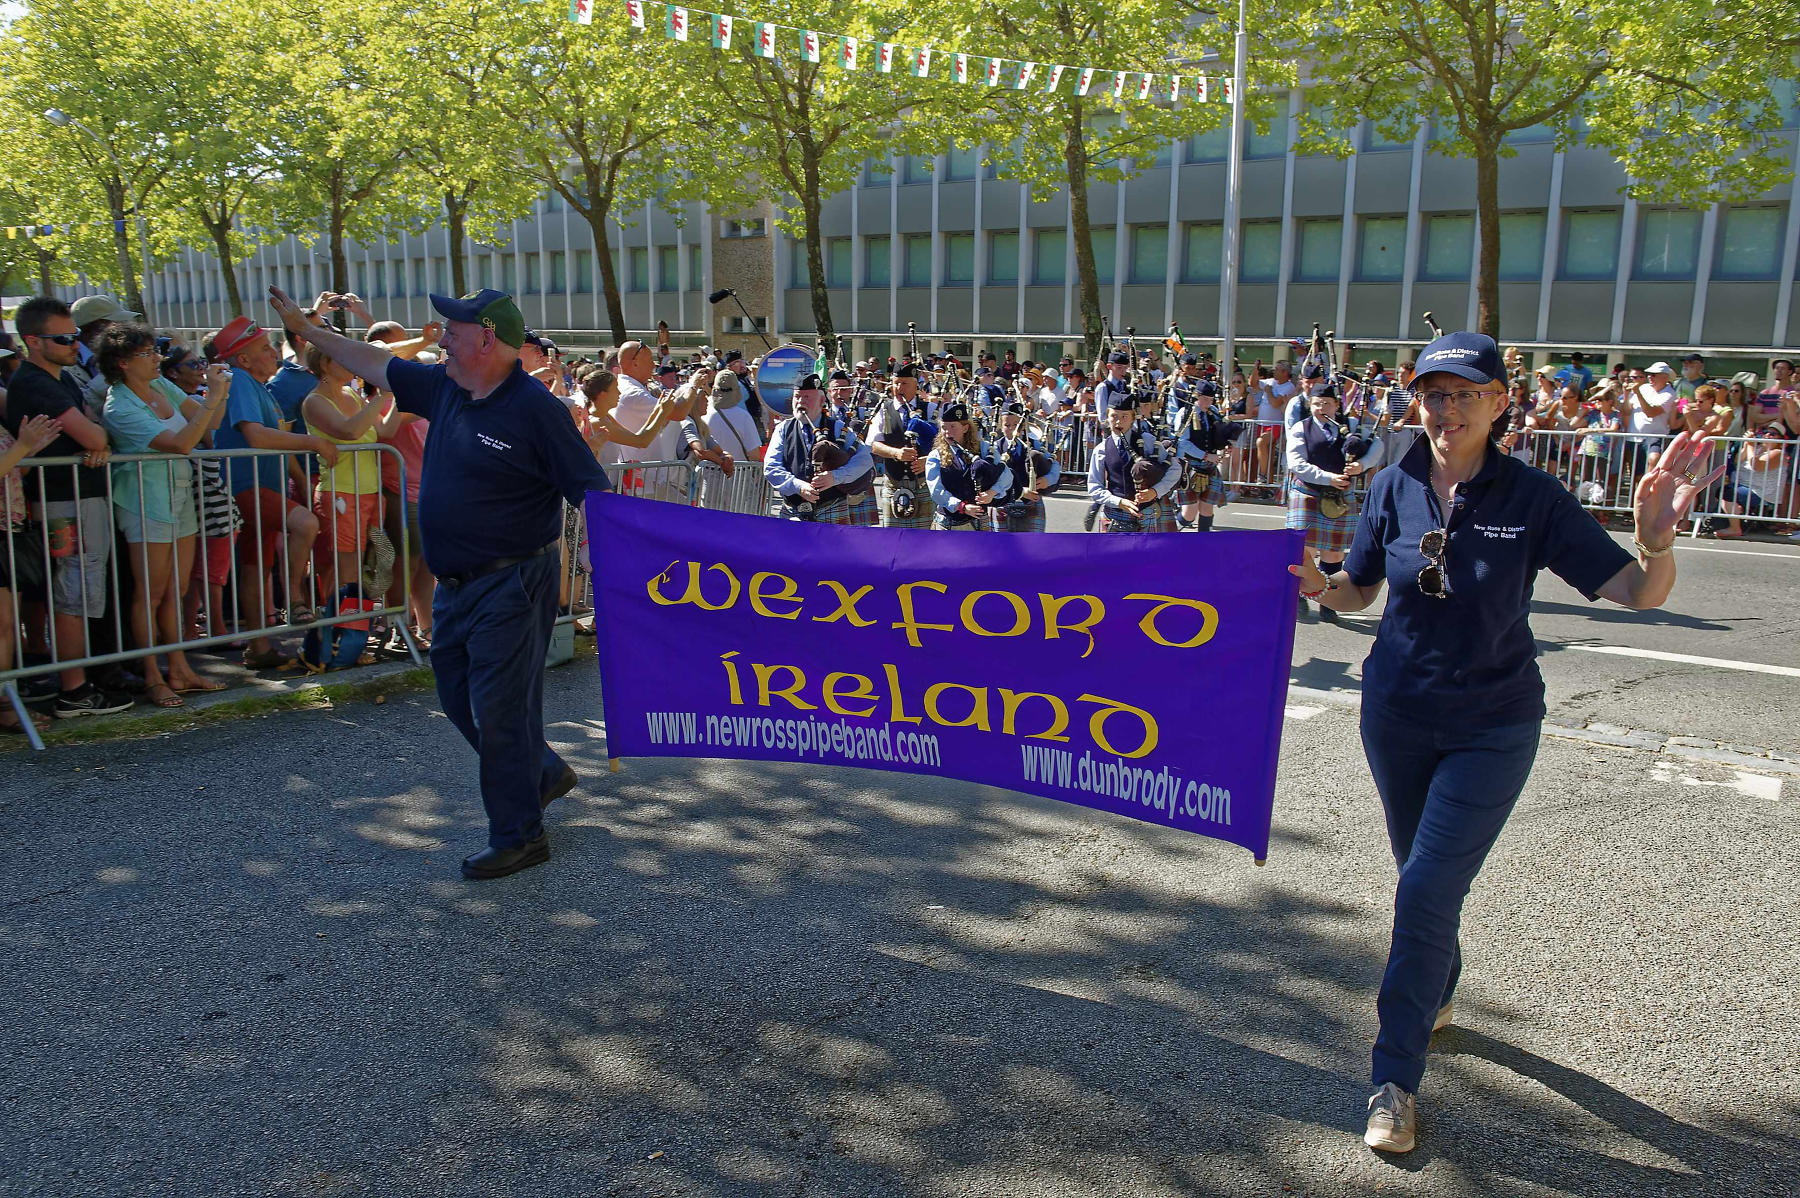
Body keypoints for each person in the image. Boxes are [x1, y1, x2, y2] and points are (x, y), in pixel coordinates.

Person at [1288, 331, 1720, 1156]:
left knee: (1420, 894)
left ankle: (1394, 1080)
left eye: (1464, 394)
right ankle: (1439, 985)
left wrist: (1658, 541)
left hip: (1494, 723)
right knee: (1424, 879)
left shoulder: (1533, 496)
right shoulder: (1391, 483)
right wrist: (1322, 588)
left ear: (1498, 401)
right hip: (1397, 713)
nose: (1446, 409)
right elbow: (1358, 589)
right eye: (1434, 393)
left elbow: (1635, 591)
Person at [269, 284, 610, 881]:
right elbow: (371, 360)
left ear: (487, 338)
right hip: (455, 584)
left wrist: (628, 570)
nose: (441, 336)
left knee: (501, 710)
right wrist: (307, 330)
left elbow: (593, 491)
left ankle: (519, 834)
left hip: (512, 581)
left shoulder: (537, 411)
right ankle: (540, 772)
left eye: (453, 329)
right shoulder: (444, 385)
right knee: (458, 698)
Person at [1, 297, 132, 718]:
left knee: (79, 591)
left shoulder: (59, 378)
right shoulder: (36, 383)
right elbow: (96, 437)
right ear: (33, 342)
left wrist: (96, 439)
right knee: (73, 592)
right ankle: (74, 689)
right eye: (63, 339)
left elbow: (94, 431)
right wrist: (96, 441)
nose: (75, 344)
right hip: (64, 503)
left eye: (75, 335)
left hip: (73, 498)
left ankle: (77, 683)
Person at [98, 323, 231, 708]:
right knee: (151, 593)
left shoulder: (160, 386)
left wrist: (217, 391)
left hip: (177, 497)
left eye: (155, 350)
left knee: (178, 588)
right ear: (122, 363)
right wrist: (210, 400)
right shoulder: (118, 406)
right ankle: (153, 677)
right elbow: (182, 442)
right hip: (144, 502)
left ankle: (180, 669)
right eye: (147, 353)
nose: (158, 357)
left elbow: (211, 425)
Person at [210, 315, 335, 667]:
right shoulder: (242, 383)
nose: (272, 353)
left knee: (255, 567)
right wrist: (313, 441)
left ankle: (259, 648)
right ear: (244, 359)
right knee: (306, 524)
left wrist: (297, 483)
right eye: (264, 348)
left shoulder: (259, 386)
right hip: (245, 485)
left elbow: (279, 444)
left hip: (264, 483)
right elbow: (257, 436)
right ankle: (295, 599)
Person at [301, 343, 409, 603]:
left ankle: (353, 629)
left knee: (367, 563)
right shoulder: (314, 401)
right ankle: (340, 632)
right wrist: (383, 395)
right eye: (345, 358)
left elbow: (384, 431)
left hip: (370, 494)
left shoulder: (351, 393)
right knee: (345, 569)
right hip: (341, 493)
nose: (353, 364)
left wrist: (398, 395)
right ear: (326, 364)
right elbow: (350, 431)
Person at [1286, 382, 1382, 620]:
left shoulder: (1350, 426)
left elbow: (1377, 444)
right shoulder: (1301, 427)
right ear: (1311, 405)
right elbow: (1296, 463)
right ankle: (1297, 596)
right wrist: (1328, 478)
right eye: (1317, 404)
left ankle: (1328, 601)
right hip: (1308, 492)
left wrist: (1363, 464)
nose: (1321, 408)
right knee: (1303, 549)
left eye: (1327, 403)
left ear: (1337, 405)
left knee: (1334, 552)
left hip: (1339, 496)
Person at [1, 413, 60, 733]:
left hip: (9, 529)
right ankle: (5, 705)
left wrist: (29, 451)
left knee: (7, 625)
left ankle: (7, 701)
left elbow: (11, 471)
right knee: (3, 625)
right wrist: (23, 445)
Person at [764, 373, 876, 525]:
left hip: (831, 509)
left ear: (822, 400)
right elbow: (771, 467)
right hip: (792, 510)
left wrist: (834, 477)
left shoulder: (837, 428)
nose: (800, 402)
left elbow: (864, 460)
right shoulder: (783, 429)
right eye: (797, 397)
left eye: (807, 397)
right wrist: (798, 486)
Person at [1087, 387, 1178, 532]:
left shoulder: (1148, 442)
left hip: (1148, 513)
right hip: (1115, 515)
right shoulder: (1101, 450)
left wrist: (1155, 491)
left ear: (1132, 419)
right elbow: (1094, 487)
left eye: (1124, 417)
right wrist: (1119, 502)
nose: (1118, 422)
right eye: (1114, 416)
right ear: (1107, 417)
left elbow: (1175, 468)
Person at [925, 399, 1009, 531]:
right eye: (944, 427)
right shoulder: (936, 456)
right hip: (947, 524)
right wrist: (961, 506)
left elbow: (1006, 475)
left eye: (953, 426)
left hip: (979, 522)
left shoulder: (984, 449)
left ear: (965, 428)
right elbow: (936, 491)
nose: (947, 432)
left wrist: (991, 493)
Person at [1175, 380, 1239, 532]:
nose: (1208, 403)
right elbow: (1182, 443)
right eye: (1205, 399)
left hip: (1209, 468)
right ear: (1197, 396)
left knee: (1207, 510)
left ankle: (1203, 546)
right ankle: (1171, 532)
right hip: (1190, 467)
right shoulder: (1185, 414)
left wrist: (1226, 444)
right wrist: (1205, 456)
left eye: (1210, 400)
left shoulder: (1213, 412)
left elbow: (1220, 433)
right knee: (1189, 514)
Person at [990, 401, 1059, 531]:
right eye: (1007, 425)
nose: (1012, 429)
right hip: (1002, 504)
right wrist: (1020, 491)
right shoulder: (995, 448)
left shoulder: (1035, 445)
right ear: (1000, 425)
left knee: (1033, 548)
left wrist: (1047, 480)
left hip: (1032, 503)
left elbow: (1054, 464)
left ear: (1023, 426)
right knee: (1001, 549)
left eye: (1016, 425)